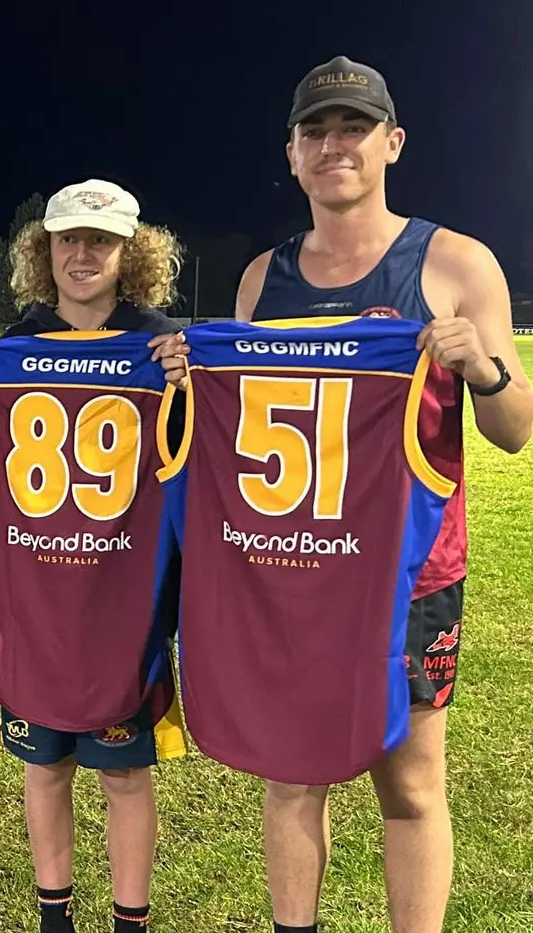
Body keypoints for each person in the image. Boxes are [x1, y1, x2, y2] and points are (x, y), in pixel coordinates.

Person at [157, 56, 532, 933]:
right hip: (291, 567)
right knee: (293, 771)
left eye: (353, 128)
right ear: (291, 154)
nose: (335, 146)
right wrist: (188, 377)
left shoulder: (454, 261)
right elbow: (236, 424)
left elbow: (514, 428)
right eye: (315, 131)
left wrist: (479, 364)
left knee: (408, 780)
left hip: (410, 574)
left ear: (391, 143)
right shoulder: (262, 280)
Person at [0, 180, 186, 933]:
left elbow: (203, 472)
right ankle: (54, 916)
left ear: (130, 251)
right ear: (44, 251)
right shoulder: (10, 351)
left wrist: (192, 389)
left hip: (124, 609)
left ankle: (129, 921)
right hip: (35, 609)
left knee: (124, 776)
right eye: (67, 239)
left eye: (101, 240)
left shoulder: (162, 346)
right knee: (43, 768)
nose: (83, 254)